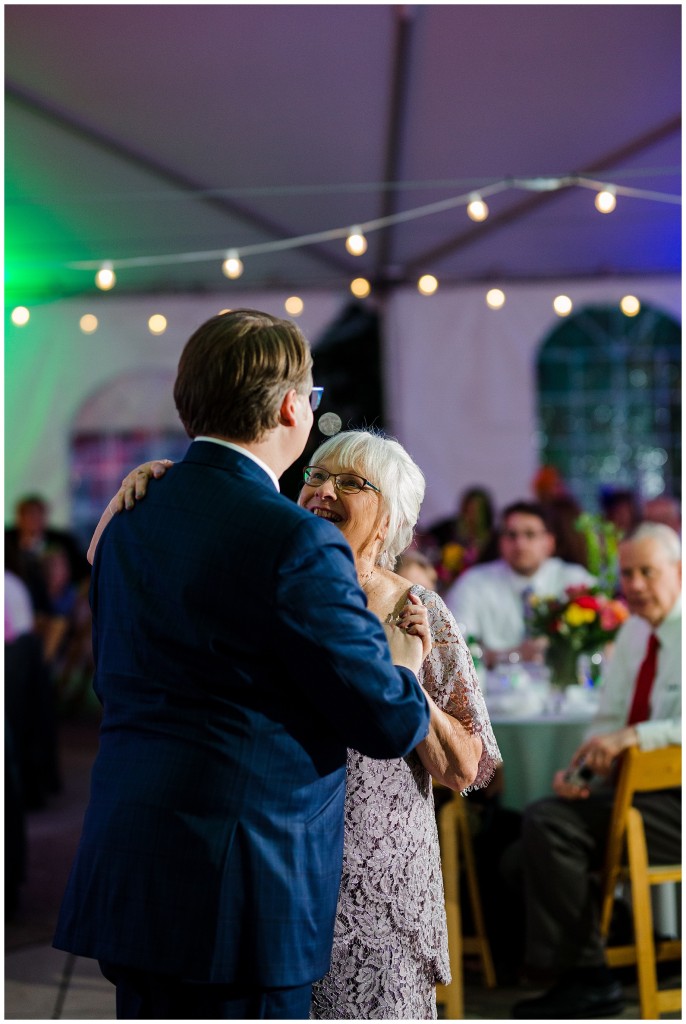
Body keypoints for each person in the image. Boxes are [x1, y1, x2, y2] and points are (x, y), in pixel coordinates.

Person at [53, 309, 434, 1021]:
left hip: (131, 856)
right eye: (313, 400)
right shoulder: (295, 540)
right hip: (240, 886)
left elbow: (117, 672)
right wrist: (406, 666)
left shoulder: (127, 514)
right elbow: (384, 721)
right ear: (292, 405)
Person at [102, 428, 502, 1019]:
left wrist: (405, 681)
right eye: (315, 475)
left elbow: (463, 767)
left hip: (379, 887)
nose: (323, 490)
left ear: (390, 520)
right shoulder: (272, 581)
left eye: (351, 482)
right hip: (272, 873)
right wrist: (162, 483)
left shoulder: (420, 613)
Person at [510, 522, 681, 1019]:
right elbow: (608, 720)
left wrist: (636, 737)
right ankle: (613, 955)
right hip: (632, 795)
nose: (636, 584)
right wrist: (579, 771)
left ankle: (588, 978)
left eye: (647, 572)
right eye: (627, 574)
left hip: (675, 803)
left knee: (545, 825)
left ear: (678, 571)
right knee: (518, 853)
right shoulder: (632, 631)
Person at [445, 500, 594, 669]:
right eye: (511, 535)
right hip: (494, 692)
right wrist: (514, 654)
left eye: (530, 535)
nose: (520, 544)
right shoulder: (473, 583)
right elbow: (453, 650)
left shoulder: (575, 581)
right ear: (501, 541)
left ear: (549, 542)